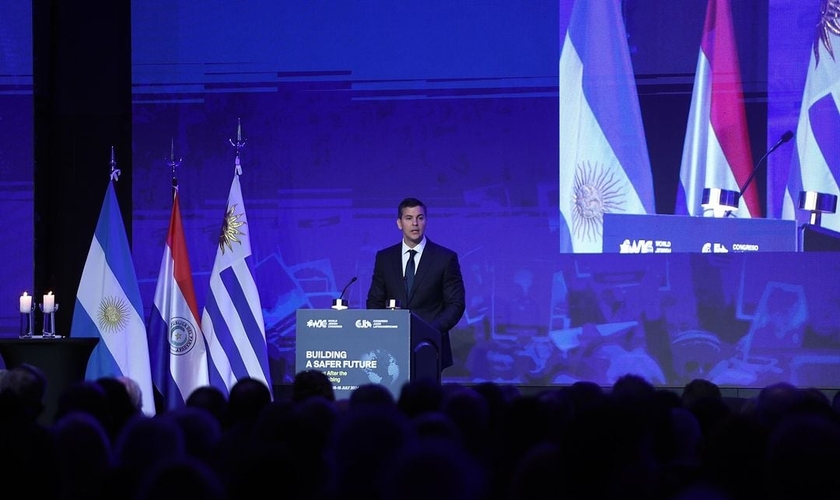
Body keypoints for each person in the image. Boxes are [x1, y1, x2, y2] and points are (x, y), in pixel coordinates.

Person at [366, 197, 466, 371]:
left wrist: (428, 332)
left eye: (420, 218)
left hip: (430, 347)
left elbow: (456, 305)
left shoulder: (445, 258)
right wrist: (383, 330)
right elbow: (375, 301)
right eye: (409, 218)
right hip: (391, 346)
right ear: (399, 223)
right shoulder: (384, 258)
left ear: (426, 221)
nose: (415, 224)